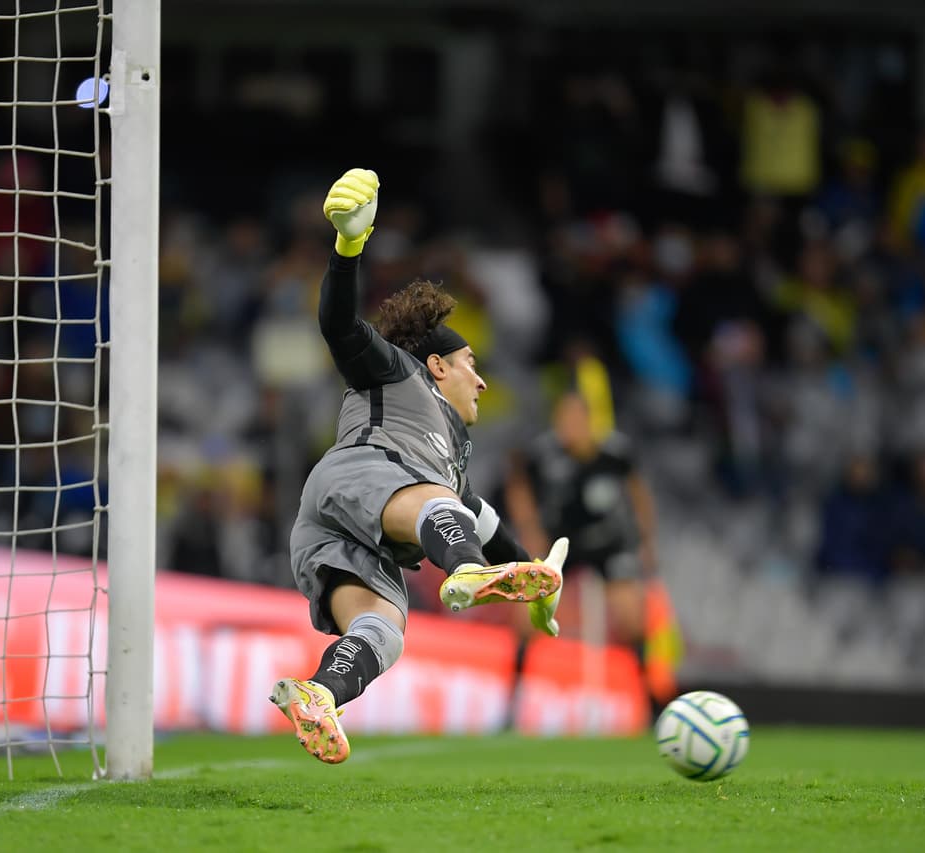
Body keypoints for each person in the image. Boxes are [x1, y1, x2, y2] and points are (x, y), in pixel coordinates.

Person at [270, 169, 568, 764]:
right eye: (470, 363)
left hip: (335, 531)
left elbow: (482, 522)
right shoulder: (397, 374)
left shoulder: (450, 463)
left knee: (382, 633)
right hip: (360, 476)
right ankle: (463, 572)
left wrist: (538, 581)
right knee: (442, 506)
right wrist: (349, 248)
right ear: (436, 365)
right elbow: (338, 326)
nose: (481, 379)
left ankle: (318, 696)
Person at [504, 390, 659, 666]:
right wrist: (530, 528)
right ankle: (517, 680)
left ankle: (647, 692)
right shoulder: (544, 454)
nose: (568, 425)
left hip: (607, 541)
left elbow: (639, 493)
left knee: (632, 617)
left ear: (589, 420)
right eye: (563, 418)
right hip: (560, 542)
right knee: (530, 610)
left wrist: (646, 539)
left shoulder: (615, 452)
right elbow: (517, 486)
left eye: (575, 418)